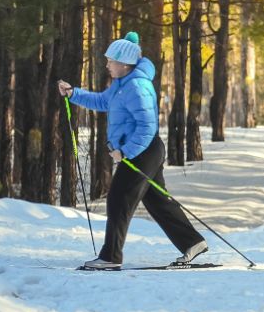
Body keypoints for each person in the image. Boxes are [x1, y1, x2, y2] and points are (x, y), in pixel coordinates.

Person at [57, 32, 207, 270]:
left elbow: (148, 126)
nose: (107, 65)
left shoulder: (137, 86)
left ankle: (110, 257)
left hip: (143, 150)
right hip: (143, 150)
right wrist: (74, 93)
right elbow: (102, 102)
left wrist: (125, 152)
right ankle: (193, 242)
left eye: (111, 61)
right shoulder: (121, 85)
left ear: (125, 64)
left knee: (118, 198)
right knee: (158, 201)